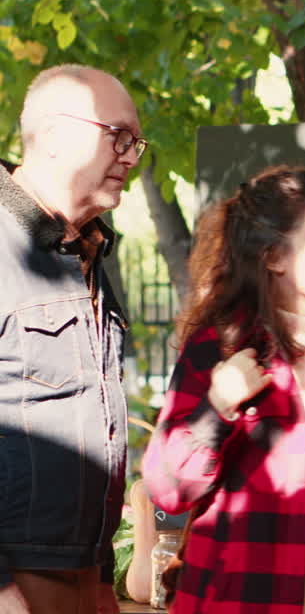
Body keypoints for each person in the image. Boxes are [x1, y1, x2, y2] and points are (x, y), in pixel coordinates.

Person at [142, 166, 305, 613]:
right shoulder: (219, 348)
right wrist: (217, 409)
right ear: (273, 257)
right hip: (246, 601)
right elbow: (168, 491)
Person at [0, 65, 144, 614]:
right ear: (56, 136)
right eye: (120, 137)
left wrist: (102, 578)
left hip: (86, 575)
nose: (132, 157)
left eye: (137, 143)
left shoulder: (86, 248)